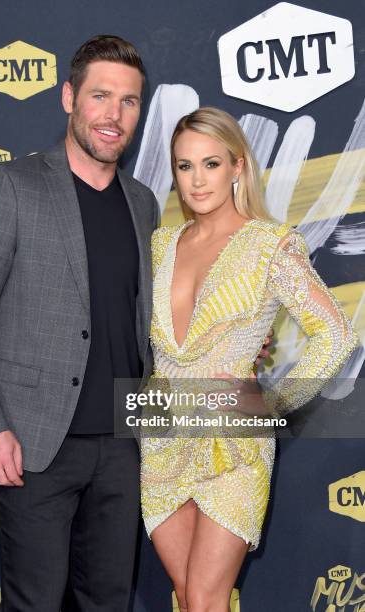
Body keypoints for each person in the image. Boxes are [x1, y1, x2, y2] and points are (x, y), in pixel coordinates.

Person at [0, 35, 159, 612]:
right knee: (34, 602)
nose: (114, 116)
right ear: (68, 97)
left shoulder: (143, 202)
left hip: (122, 446)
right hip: (33, 444)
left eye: (130, 101)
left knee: (108, 600)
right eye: (100, 96)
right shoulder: (13, 185)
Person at [140, 107, 359, 612]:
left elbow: (335, 334)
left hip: (232, 446)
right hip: (162, 440)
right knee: (188, 599)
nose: (197, 180)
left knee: (205, 597)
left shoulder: (269, 245)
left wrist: (275, 399)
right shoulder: (159, 246)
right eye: (184, 166)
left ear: (238, 167)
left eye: (210, 164)